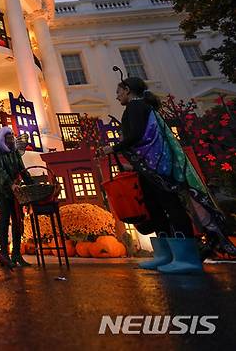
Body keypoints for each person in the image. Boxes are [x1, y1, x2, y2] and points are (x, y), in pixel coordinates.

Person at [101, 76, 236, 274]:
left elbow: (136, 136)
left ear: (128, 90)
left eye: (119, 91)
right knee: (155, 208)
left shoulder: (136, 108)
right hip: (149, 166)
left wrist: (113, 148)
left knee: (171, 207)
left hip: (158, 167)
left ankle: (185, 257)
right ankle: (165, 255)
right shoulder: (140, 108)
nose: (117, 95)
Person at [0, 127, 33, 267]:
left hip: (14, 189)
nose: (11, 140)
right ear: (2, 139)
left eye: (12, 137)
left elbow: (22, 170)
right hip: (0, 188)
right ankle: (4, 254)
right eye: (8, 137)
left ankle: (17, 254)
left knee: (18, 219)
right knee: (4, 216)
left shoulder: (15, 152)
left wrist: (31, 184)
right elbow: (0, 172)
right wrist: (11, 184)